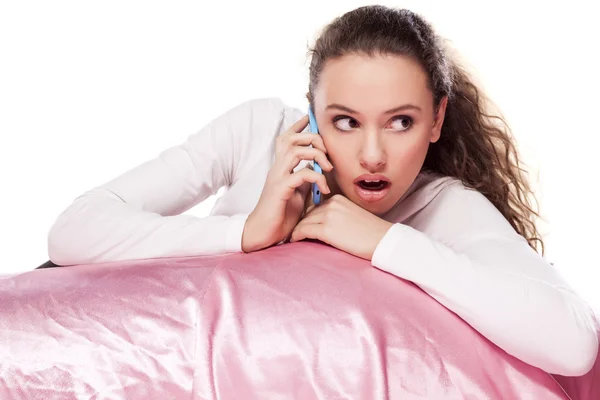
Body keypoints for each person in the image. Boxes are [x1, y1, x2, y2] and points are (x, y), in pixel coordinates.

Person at [46, 5, 598, 376]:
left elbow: (573, 345)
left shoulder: (445, 207)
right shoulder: (259, 133)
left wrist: (383, 241)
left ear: (436, 119)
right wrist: (249, 230)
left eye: (401, 122)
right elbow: (71, 233)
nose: (374, 154)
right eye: (345, 121)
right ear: (311, 112)